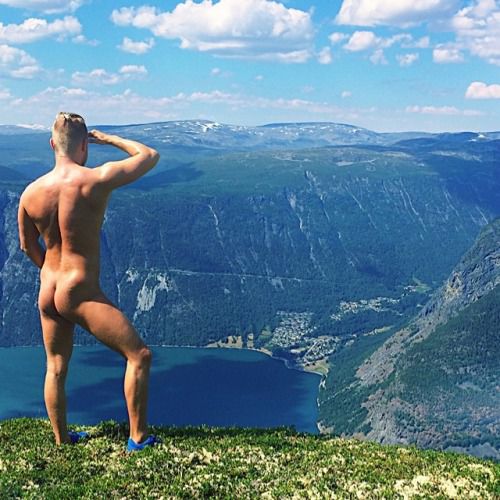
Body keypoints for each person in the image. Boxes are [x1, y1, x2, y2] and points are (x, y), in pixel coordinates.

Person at [17, 112, 160, 451]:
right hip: (78, 289)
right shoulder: (95, 179)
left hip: (48, 288)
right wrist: (109, 139)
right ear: (85, 145)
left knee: (55, 367)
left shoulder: (30, 193)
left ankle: (62, 441)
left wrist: (48, 270)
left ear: (52, 145)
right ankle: (138, 439)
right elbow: (148, 155)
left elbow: (26, 246)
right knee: (139, 355)